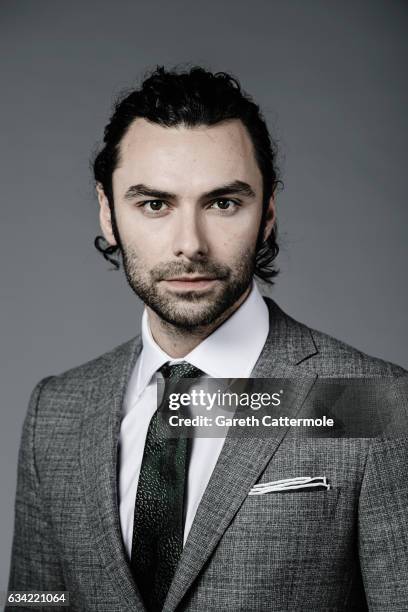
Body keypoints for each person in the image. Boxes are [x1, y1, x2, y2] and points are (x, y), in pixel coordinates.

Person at [7, 66, 408, 612]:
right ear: (108, 212)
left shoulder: (373, 402)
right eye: (154, 204)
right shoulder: (56, 411)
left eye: (223, 203)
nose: (189, 244)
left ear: (266, 214)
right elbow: (37, 600)